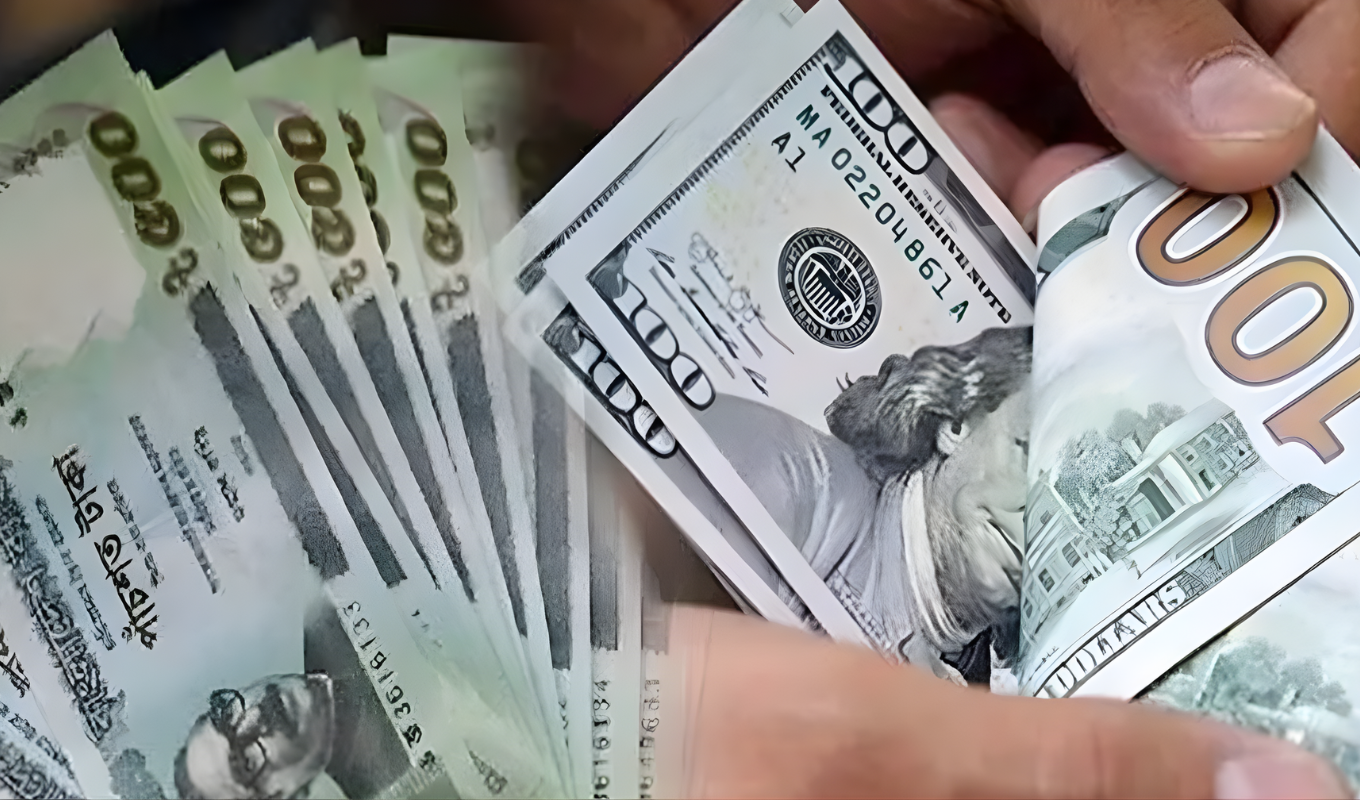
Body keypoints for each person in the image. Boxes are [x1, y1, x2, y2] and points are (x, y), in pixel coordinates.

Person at [504, 1, 1359, 796]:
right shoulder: (798, 480)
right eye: (1028, 454)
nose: (1048, 517)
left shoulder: (986, 664)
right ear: (951, 423)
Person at [704, 327, 1030, 684]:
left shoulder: (982, 693)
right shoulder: (782, 474)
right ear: (956, 425)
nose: (1040, 520)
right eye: (1028, 454)